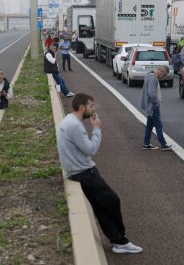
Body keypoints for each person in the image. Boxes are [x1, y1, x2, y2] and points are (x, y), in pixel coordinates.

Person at [57, 93, 143, 254]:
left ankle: (119, 241)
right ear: (82, 107)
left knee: (101, 207)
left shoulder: (69, 120)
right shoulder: (75, 125)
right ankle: (120, 240)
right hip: (84, 172)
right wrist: (96, 129)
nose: (93, 109)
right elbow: (91, 149)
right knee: (112, 200)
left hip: (76, 171)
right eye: (91, 106)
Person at [139, 66, 173, 150]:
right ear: (160, 71)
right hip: (153, 106)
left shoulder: (149, 76)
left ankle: (146, 144)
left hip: (151, 105)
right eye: (164, 74)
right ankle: (163, 144)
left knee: (149, 125)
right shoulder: (153, 78)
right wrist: (156, 102)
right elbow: (151, 94)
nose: (163, 76)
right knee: (159, 124)